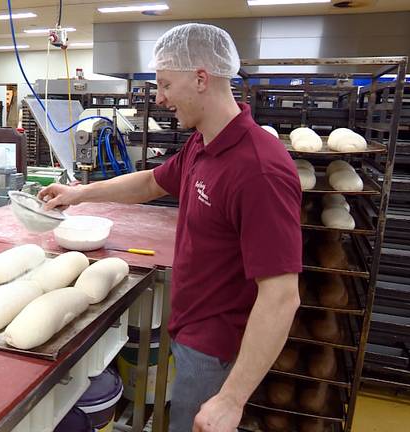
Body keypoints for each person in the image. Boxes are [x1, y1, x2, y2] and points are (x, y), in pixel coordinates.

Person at [38, 23, 302, 432]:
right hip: (190, 325)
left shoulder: (260, 169)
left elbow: (282, 297)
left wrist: (231, 400)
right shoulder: (204, 143)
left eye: (164, 84)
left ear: (201, 78)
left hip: (216, 346)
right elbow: (149, 182)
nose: (159, 98)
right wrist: (78, 193)